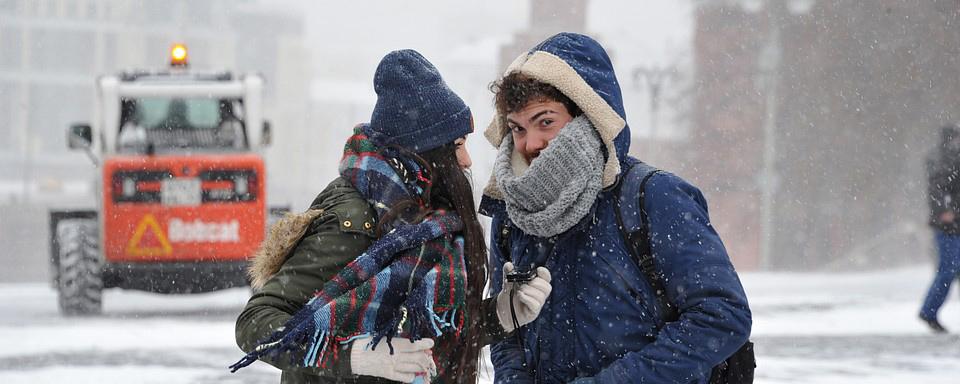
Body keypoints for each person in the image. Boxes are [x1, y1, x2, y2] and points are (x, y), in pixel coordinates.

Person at [231, 50, 552, 383]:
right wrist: (354, 356)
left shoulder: (431, 226)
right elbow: (256, 323)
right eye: (457, 145)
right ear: (426, 152)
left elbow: (429, 331)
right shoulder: (353, 216)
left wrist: (502, 313)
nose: (467, 160)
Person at [481, 33, 752, 383]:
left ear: (588, 116)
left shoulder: (653, 197)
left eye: (545, 121)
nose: (530, 144)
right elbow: (509, 333)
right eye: (518, 128)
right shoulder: (512, 215)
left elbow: (722, 316)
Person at [920, 123, 960, 334]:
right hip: (948, 226)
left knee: (951, 269)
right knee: (948, 270)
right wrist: (944, 210)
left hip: (953, 224)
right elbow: (938, 189)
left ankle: (929, 312)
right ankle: (929, 312)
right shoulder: (944, 161)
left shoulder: (948, 159)